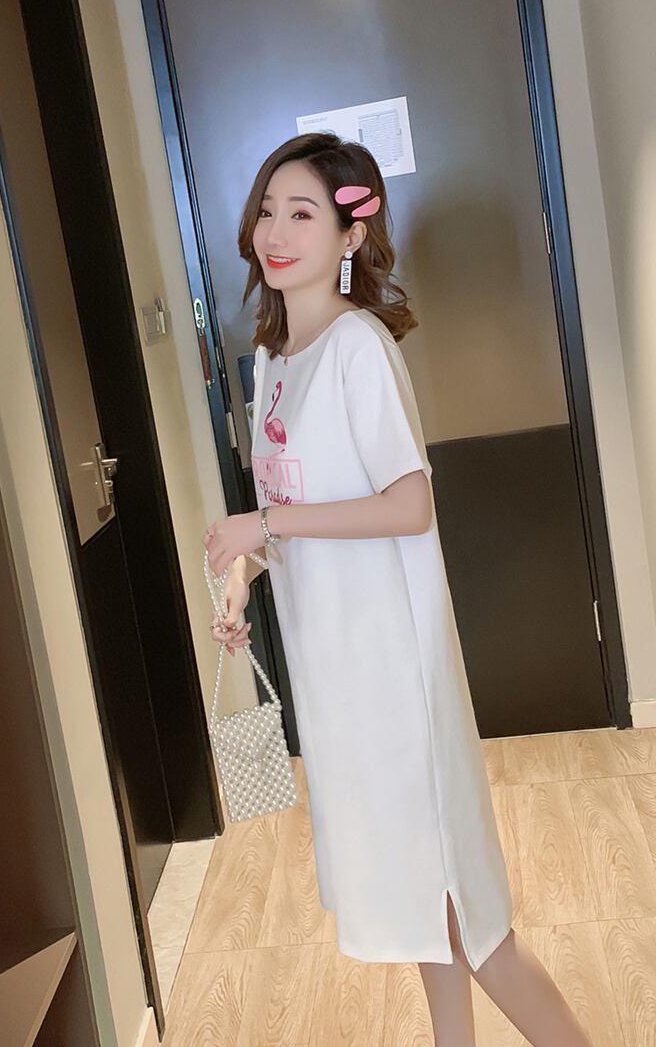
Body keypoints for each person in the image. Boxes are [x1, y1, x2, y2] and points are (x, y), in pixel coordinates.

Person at [203, 132, 592, 1047]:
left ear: (350, 235)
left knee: (466, 916)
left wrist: (263, 525)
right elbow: (301, 509)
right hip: (337, 680)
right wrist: (245, 577)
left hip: (392, 680)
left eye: (302, 213)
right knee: (426, 913)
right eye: (267, 210)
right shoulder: (274, 360)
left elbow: (407, 504)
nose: (275, 232)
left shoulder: (357, 347)